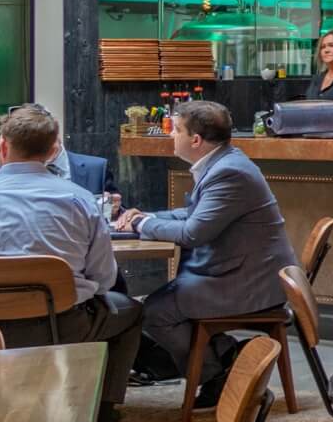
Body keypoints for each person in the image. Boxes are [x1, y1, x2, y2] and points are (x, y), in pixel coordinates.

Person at [0, 106, 139, 422]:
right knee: (130, 312)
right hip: (61, 324)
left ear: (2, 147)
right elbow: (104, 278)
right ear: (51, 151)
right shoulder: (80, 201)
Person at [115, 101, 295, 405]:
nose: (172, 136)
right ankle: (226, 356)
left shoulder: (229, 173)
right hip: (236, 272)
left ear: (195, 140)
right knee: (156, 305)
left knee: (155, 312)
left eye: (177, 130)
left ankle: (219, 373)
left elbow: (193, 233)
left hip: (247, 281)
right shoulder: (224, 163)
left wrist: (143, 223)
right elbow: (194, 214)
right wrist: (146, 216)